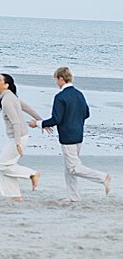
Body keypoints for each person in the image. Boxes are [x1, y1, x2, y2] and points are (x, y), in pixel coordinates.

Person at [39, 66, 111, 200]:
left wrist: (39, 123)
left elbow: (56, 119)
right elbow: (87, 113)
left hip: (67, 136)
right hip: (78, 134)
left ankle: (103, 177)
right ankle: (73, 196)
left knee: (73, 168)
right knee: (68, 167)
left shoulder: (60, 96)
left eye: (56, 79)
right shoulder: (79, 94)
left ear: (61, 78)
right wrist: (75, 121)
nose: (56, 82)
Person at [0, 73, 42, 200]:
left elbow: (15, 122)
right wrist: (41, 123)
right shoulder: (11, 97)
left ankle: (32, 174)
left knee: (2, 165)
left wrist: (17, 143)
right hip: (20, 137)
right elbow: (29, 109)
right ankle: (14, 195)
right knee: (6, 166)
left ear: (6, 85)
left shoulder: (7, 100)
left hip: (18, 138)